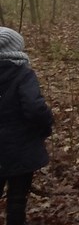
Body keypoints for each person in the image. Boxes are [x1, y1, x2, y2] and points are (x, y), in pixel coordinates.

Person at [0, 27, 54, 225]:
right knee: (16, 200)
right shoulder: (22, 73)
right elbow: (35, 108)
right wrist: (47, 125)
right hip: (20, 148)